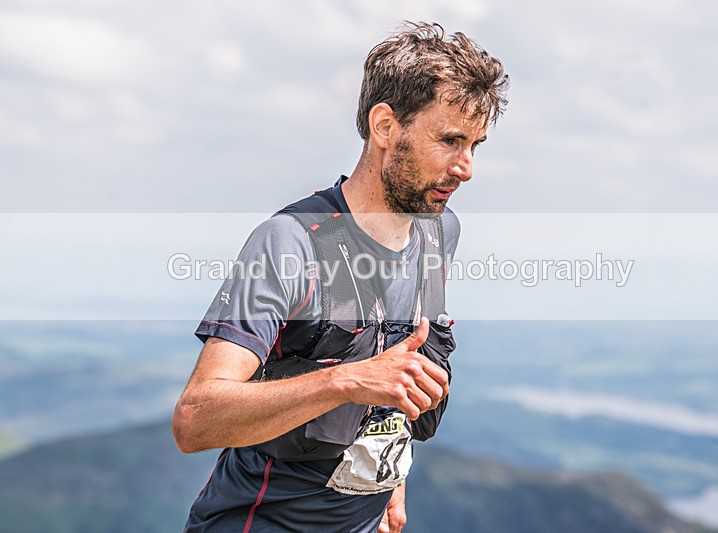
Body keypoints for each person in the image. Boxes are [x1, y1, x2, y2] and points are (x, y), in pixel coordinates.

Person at [172, 21, 508, 532]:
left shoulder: (439, 234)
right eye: (449, 140)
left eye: (475, 145)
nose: (466, 168)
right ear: (384, 126)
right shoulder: (290, 242)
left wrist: (391, 484)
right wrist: (346, 381)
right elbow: (194, 420)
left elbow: (395, 361)